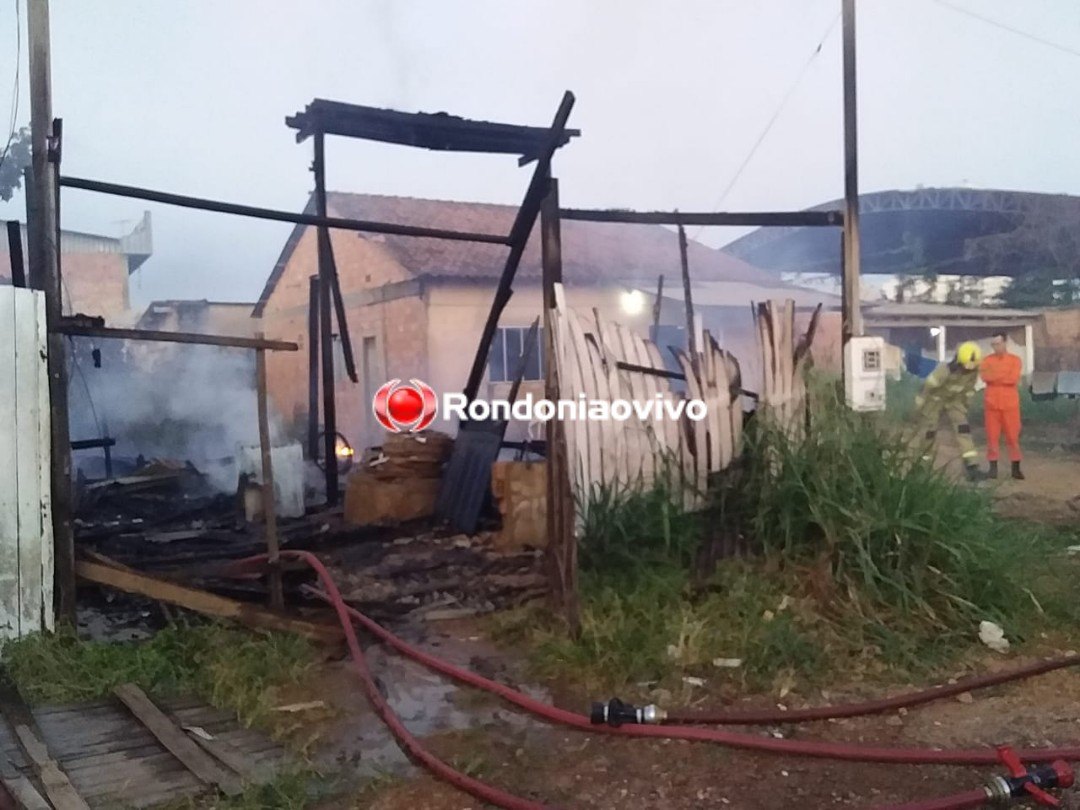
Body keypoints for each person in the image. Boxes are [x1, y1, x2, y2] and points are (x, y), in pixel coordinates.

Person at [914, 341, 984, 481]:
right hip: (935, 400)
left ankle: (972, 466)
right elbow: (928, 386)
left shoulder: (973, 370)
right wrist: (920, 405)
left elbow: (969, 389)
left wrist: (965, 406)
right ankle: (921, 465)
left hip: (955, 401)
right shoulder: (944, 370)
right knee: (929, 432)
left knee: (963, 430)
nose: (968, 369)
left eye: (972, 366)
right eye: (966, 365)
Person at [980, 332, 1024, 480]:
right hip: (991, 405)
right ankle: (993, 469)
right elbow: (985, 377)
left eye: (998, 343)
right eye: (993, 344)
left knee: (1013, 437)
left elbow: (1013, 379)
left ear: (1005, 343)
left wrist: (995, 378)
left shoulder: (1015, 360)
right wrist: (1002, 377)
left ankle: (1015, 469)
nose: (996, 347)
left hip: (1010, 405)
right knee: (992, 438)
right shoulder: (986, 360)